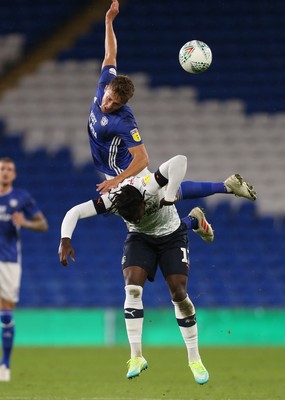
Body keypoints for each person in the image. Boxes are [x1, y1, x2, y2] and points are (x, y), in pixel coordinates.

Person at [58, 154, 217, 385]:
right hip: (140, 239)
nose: (136, 217)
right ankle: (136, 357)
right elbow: (75, 212)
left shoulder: (150, 186)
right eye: (129, 217)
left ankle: (195, 359)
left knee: (179, 294)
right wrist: (65, 239)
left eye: (136, 213)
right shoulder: (112, 201)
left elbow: (180, 160)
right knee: (132, 288)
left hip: (171, 236)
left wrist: (171, 192)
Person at [88, 1, 257, 205]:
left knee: (149, 213)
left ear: (123, 104)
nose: (108, 105)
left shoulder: (124, 120)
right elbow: (110, 54)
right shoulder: (106, 81)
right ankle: (224, 189)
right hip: (112, 171)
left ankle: (216, 197)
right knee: (154, 209)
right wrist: (108, 20)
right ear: (107, 89)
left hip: (125, 172)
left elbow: (142, 158)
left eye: (115, 104)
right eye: (109, 99)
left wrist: (118, 179)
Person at [0, 157, 48, 382]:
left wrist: (25, 223)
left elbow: (43, 224)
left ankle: (5, 365)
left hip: (8, 260)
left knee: (7, 312)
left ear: (14, 174)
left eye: (9, 169)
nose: (5, 172)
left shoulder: (21, 198)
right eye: (2, 169)